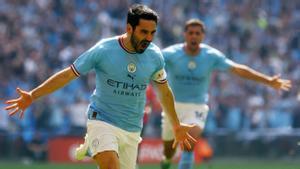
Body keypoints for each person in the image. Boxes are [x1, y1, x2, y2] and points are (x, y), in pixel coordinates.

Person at [5, 4, 196, 169]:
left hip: (131, 128)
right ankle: (94, 141)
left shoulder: (155, 56)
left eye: (152, 33)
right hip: (102, 119)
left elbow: (164, 91)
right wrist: (32, 95)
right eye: (143, 32)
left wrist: (176, 125)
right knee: (110, 165)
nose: (148, 38)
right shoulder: (103, 50)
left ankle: (90, 146)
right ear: (129, 28)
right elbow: (68, 74)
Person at [160, 19, 292, 169]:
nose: (194, 36)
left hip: (196, 106)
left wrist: (268, 80)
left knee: (190, 140)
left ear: (203, 36)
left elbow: (237, 69)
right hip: (172, 106)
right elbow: (151, 64)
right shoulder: (171, 54)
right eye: (190, 33)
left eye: (197, 33)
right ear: (185, 34)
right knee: (168, 150)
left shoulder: (211, 55)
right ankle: (166, 161)